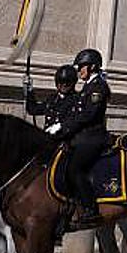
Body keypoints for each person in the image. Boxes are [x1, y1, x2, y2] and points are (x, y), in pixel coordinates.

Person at [50, 49, 110, 229]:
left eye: (82, 67)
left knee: (75, 168)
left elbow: (88, 116)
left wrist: (63, 127)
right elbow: (77, 114)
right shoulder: (88, 86)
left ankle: (90, 209)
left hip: (93, 138)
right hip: (82, 137)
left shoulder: (98, 86)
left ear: (92, 66)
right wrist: (61, 128)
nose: (79, 71)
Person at [25, 64, 80, 130]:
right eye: (61, 82)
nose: (64, 85)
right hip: (48, 137)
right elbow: (32, 109)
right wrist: (29, 91)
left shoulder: (77, 100)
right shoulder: (53, 99)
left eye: (67, 82)